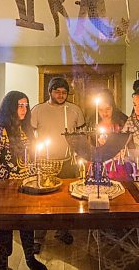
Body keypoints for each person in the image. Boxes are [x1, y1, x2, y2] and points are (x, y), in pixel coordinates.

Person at [0, 91, 47, 270]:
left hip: (25, 189)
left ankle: (29, 259)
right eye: (20, 105)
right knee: (3, 231)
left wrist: (34, 173)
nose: (24, 109)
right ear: (10, 107)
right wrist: (11, 180)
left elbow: (30, 159)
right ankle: (1, 266)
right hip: (3, 191)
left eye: (26, 105)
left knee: (27, 224)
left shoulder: (25, 129)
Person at [30, 77, 85, 249]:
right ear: (50, 92)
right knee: (42, 201)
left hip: (67, 161)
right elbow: (30, 135)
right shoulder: (38, 110)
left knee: (67, 198)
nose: (61, 95)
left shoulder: (75, 110)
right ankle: (38, 237)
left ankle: (62, 230)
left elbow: (81, 135)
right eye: (57, 91)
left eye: (64, 92)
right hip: (44, 162)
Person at [91, 88, 131, 179]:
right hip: (100, 162)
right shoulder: (93, 122)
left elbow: (127, 143)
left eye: (108, 109)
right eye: (101, 110)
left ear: (113, 107)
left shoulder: (123, 121)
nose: (104, 113)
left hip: (119, 163)